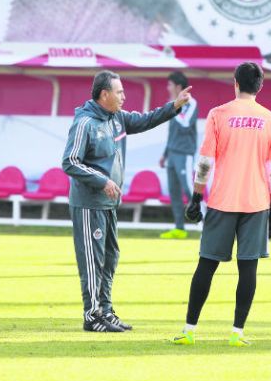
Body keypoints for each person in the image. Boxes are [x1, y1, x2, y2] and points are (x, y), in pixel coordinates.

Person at [62, 70, 191, 332]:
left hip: (109, 204)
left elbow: (146, 120)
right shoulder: (85, 122)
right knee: (92, 260)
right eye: (119, 92)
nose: (124, 96)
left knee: (110, 258)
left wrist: (173, 106)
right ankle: (92, 316)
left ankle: (106, 311)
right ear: (104, 94)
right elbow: (70, 162)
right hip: (89, 204)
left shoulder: (118, 118)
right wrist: (103, 181)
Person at [171, 62, 271, 347]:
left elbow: (206, 161)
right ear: (260, 86)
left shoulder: (218, 114)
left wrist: (197, 196)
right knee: (249, 269)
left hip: (222, 200)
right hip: (256, 203)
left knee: (206, 265)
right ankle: (237, 333)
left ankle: (189, 330)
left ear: (235, 83)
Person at [159, 71, 198, 239]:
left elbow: (185, 124)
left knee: (189, 190)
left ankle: (207, 224)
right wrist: (165, 154)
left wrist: (176, 107)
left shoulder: (191, 102)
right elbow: (172, 132)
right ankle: (179, 228)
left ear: (178, 86)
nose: (167, 88)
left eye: (170, 85)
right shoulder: (172, 103)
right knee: (174, 192)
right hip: (172, 154)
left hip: (185, 153)